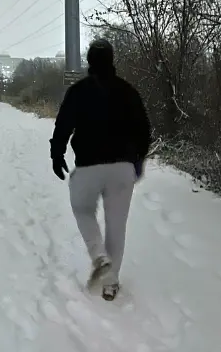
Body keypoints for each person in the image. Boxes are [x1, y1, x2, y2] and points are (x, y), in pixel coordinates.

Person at [50, 39, 151, 301]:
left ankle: (98, 255)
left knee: (82, 209)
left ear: (90, 61)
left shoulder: (78, 91)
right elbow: (143, 130)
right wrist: (138, 161)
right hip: (122, 168)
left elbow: (63, 125)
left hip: (88, 166)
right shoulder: (128, 91)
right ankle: (110, 284)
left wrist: (57, 154)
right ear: (112, 60)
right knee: (117, 226)